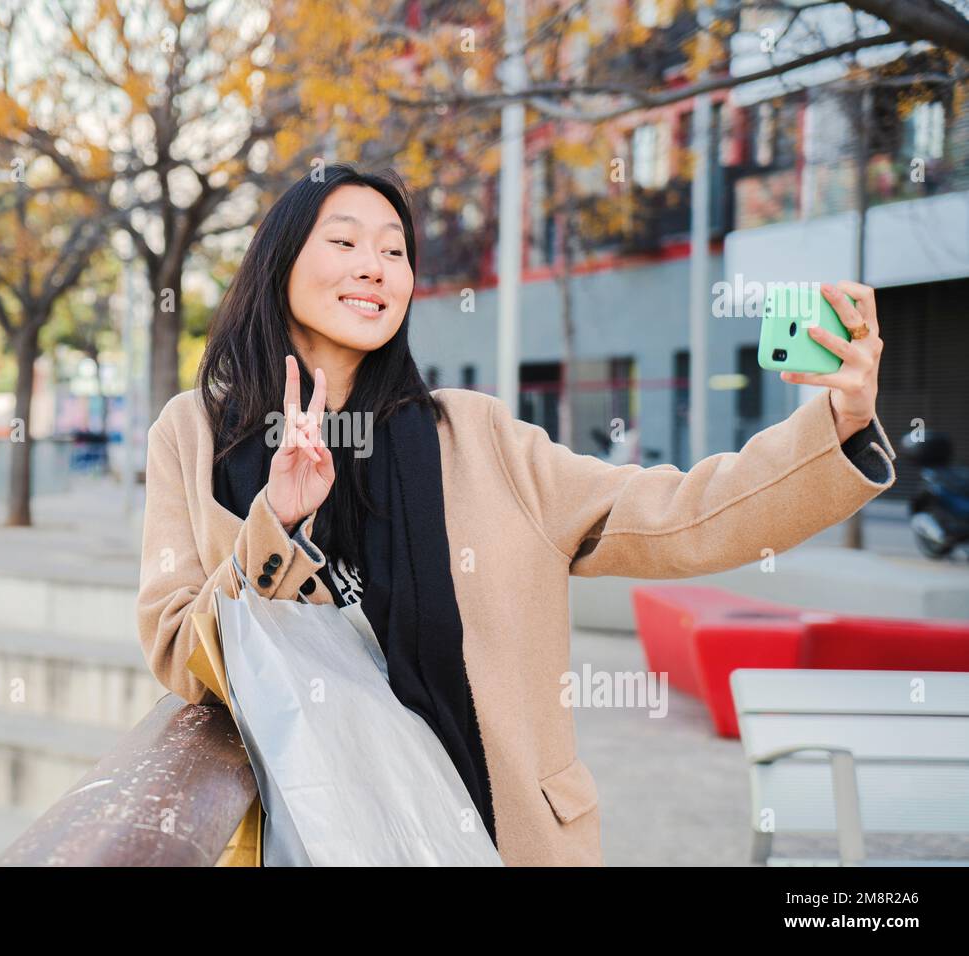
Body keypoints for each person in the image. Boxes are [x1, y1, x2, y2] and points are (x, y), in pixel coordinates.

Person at [135, 164, 897, 866]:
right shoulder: (195, 434)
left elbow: (679, 515)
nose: (376, 266)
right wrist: (278, 524)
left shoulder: (477, 437)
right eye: (344, 242)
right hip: (318, 835)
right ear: (280, 265)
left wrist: (838, 421)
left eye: (395, 252)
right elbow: (179, 650)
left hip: (499, 837)